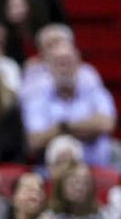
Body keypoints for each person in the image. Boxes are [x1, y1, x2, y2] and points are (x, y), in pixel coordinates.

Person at [21, 40, 117, 168]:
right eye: (59, 62)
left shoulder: (95, 91)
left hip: (97, 166)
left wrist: (62, 127)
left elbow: (106, 124)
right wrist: (89, 129)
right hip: (52, 174)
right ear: (48, 66)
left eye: (68, 61)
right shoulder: (36, 100)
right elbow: (35, 140)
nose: (64, 67)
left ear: (78, 64)